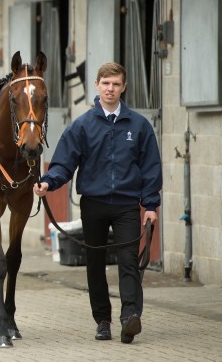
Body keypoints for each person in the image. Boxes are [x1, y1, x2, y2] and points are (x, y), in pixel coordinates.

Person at [33, 62, 162, 344]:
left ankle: (130, 318)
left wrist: (150, 205)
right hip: (93, 204)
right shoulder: (82, 125)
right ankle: (102, 320)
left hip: (128, 205)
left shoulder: (139, 126)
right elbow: (64, 164)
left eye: (116, 84)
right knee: (95, 263)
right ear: (97, 86)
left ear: (123, 87)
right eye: (106, 84)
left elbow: (151, 168)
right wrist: (47, 182)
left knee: (129, 260)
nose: (110, 89)